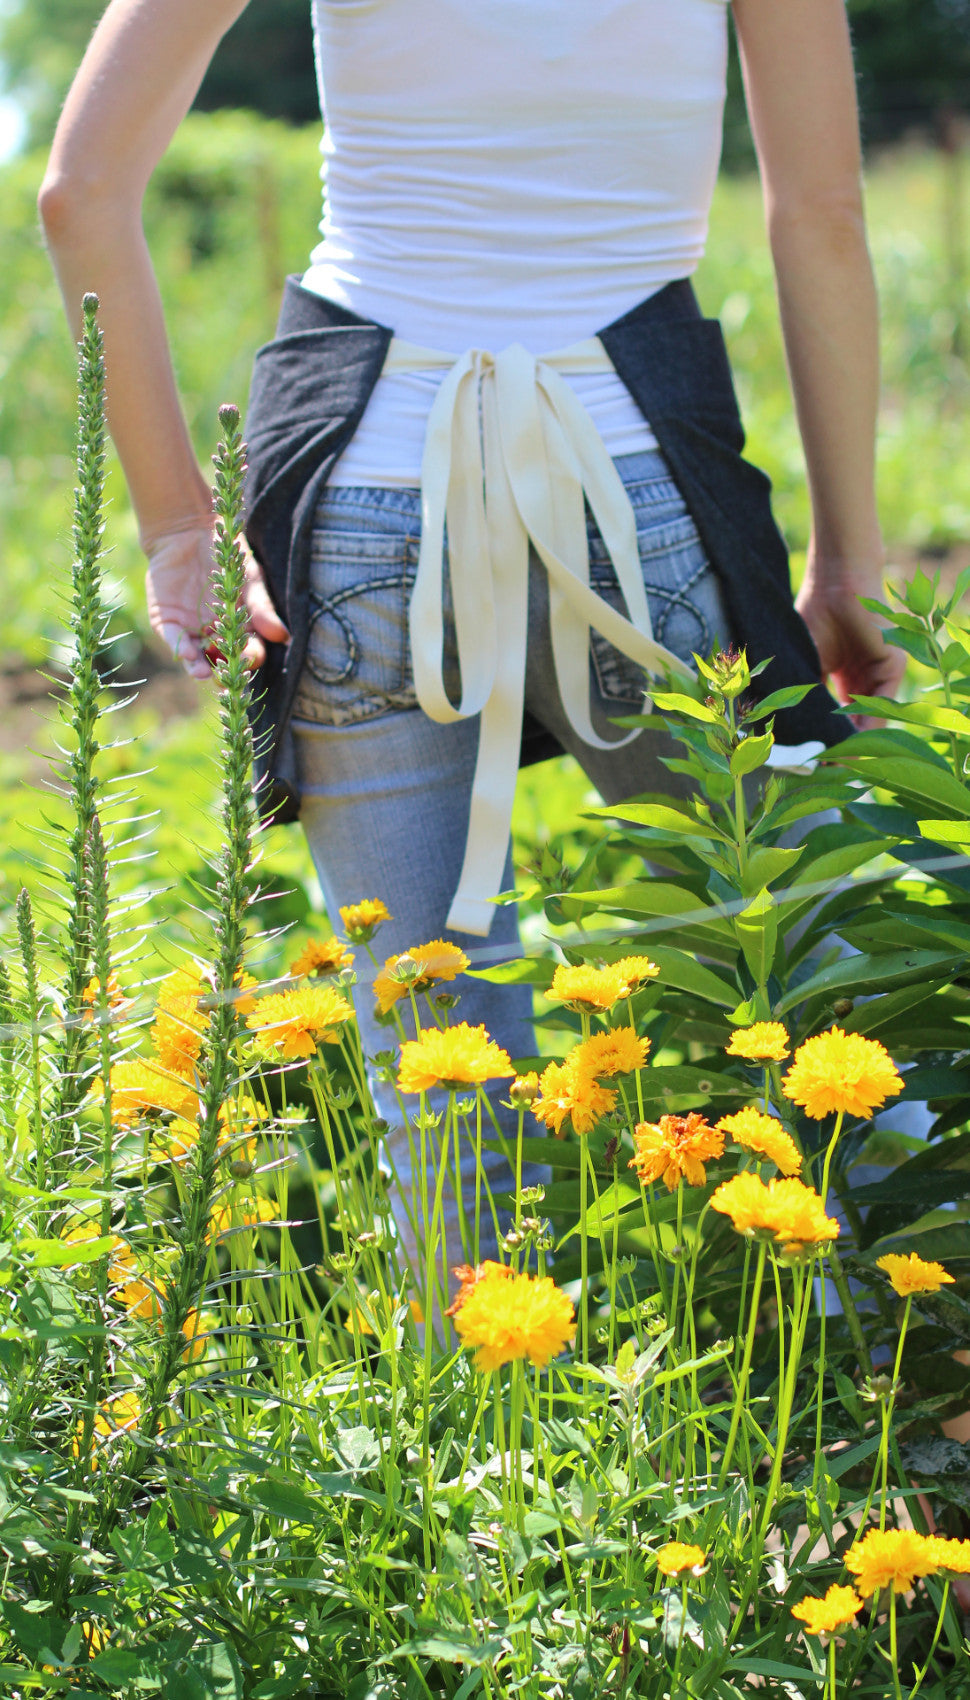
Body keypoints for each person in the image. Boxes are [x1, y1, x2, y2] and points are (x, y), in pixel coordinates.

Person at [39, 0, 905, 1276]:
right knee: (812, 993)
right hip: (635, 478)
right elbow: (819, 214)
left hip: (353, 498)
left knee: (442, 1089)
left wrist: (180, 521)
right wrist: (847, 560)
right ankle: (890, 1416)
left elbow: (80, 190)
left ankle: (483, 1453)